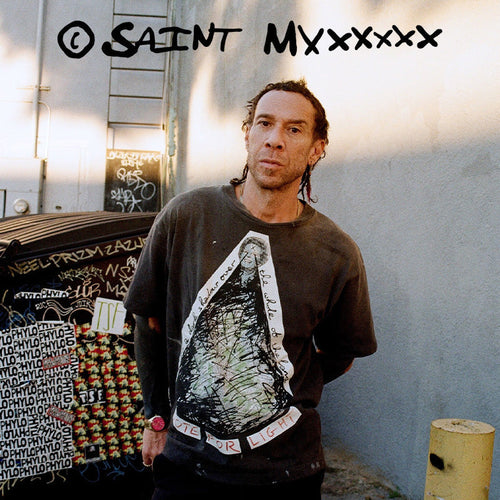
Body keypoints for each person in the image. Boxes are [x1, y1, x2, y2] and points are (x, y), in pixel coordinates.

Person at [124, 79, 377, 500]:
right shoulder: (187, 215)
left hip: (287, 474)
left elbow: (341, 355)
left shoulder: (336, 252)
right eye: (264, 123)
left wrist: (269, 386)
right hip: (187, 467)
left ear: (317, 149)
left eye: (294, 129)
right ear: (248, 135)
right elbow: (146, 321)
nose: (274, 140)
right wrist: (156, 419)